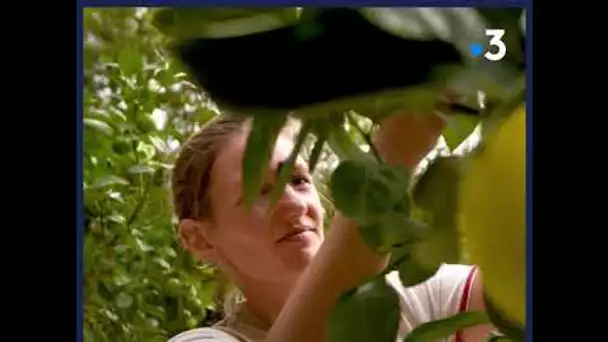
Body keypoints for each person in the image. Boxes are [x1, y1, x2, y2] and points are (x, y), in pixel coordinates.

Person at [168, 109, 495, 342]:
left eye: (298, 180)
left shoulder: (415, 299)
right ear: (198, 238)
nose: (296, 204)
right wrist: (392, 156)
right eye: (260, 190)